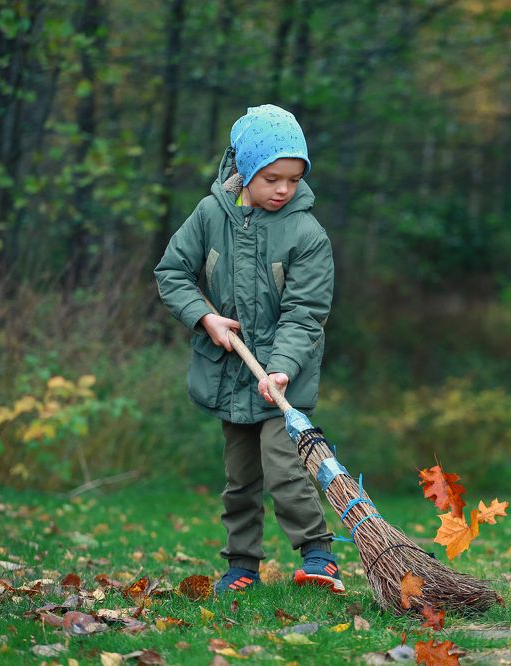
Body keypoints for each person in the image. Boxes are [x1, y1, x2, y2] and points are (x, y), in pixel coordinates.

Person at [154, 104, 342, 594]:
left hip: (284, 377)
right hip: (231, 373)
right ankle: (241, 566)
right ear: (244, 170)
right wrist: (205, 316)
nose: (284, 189)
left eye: (294, 179)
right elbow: (172, 272)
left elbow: (305, 313)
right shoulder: (210, 214)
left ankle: (318, 555)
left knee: (285, 469)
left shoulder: (307, 234)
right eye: (273, 178)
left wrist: (279, 369)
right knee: (240, 480)